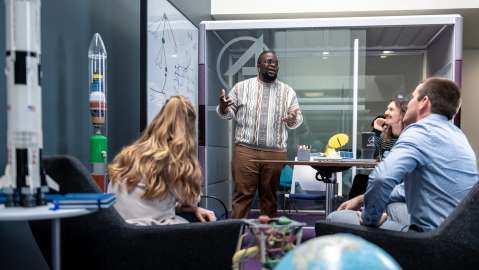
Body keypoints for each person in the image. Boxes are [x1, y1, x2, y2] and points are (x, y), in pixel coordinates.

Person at [361, 77, 478, 232]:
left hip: (431, 241)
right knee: (393, 205)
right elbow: (409, 189)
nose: (408, 103)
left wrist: (369, 220)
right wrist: (362, 198)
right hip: (461, 236)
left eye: (412, 98)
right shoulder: (458, 136)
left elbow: (381, 178)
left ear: (424, 102)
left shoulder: (420, 131)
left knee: (337, 217)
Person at [217, 50, 303, 218]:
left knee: (270, 198)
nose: (273, 65)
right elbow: (228, 113)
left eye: (275, 63)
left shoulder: (288, 91)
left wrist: (293, 119)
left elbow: (297, 119)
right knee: (243, 195)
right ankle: (235, 238)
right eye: (268, 62)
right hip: (246, 151)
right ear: (258, 65)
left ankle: (269, 241)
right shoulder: (241, 87)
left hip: (275, 153)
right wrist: (223, 107)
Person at [108, 96, 216, 225]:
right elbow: (191, 199)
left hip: (118, 230)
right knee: (208, 222)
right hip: (150, 234)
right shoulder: (177, 160)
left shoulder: (129, 153)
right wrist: (194, 207)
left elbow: (148, 204)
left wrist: (189, 208)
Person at [348, 98, 408, 199]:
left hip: (399, 181)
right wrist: (376, 131)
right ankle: (352, 212)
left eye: (391, 109)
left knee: (363, 181)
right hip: (383, 177)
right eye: (387, 109)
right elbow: (370, 155)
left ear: (402, 114)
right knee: (360, 180)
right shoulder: (385, 138)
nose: (386, 112)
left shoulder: (408, 137)